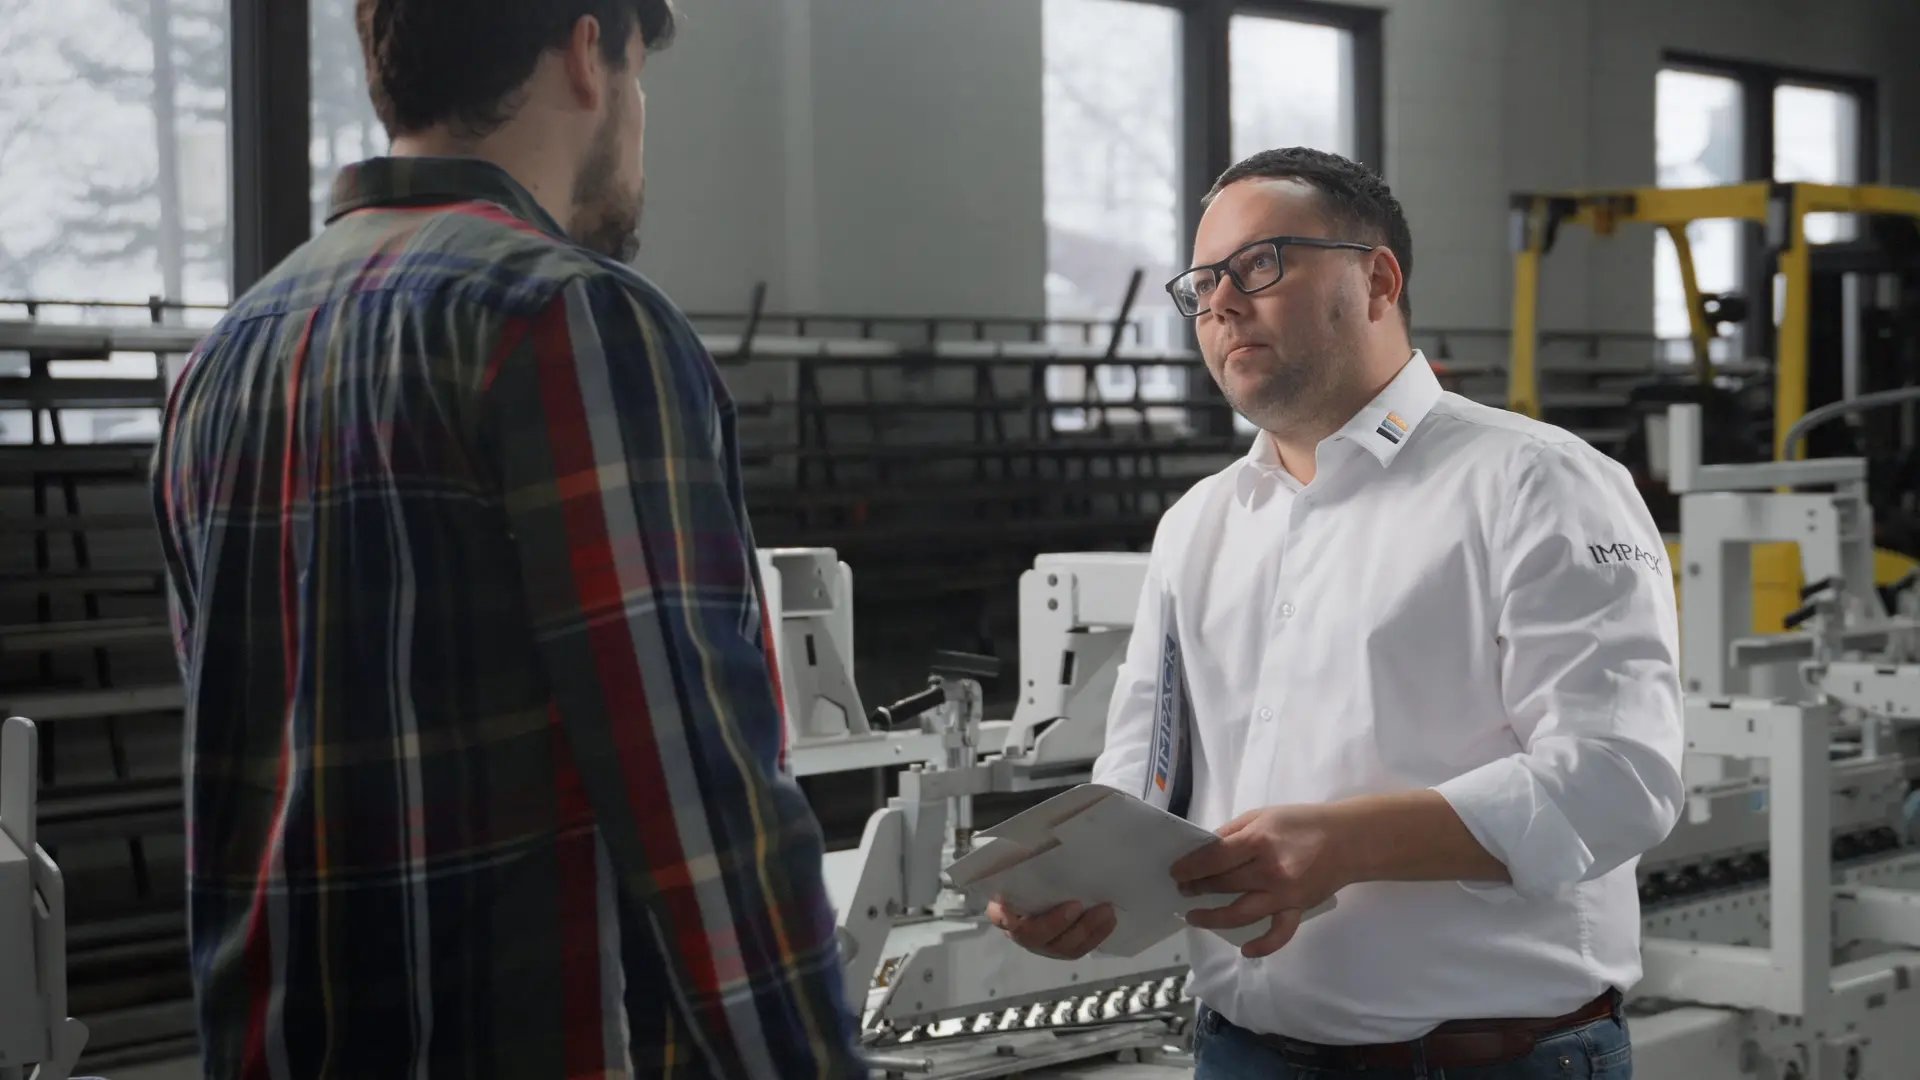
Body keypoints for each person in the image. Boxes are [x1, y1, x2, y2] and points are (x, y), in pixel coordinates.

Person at [150, 2, 865, 1076]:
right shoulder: (568, 319)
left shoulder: (222, 361)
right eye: (637, 74)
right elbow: (698, 803)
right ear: (589, 54)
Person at [989, 147, 1685, 1079]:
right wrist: (1081, 882)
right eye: (1201, 284)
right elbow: (1149, 772)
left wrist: (1343, 845)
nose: (1222, 302)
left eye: (1261, 264)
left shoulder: (1535, 482)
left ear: (1378, 280)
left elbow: (1618, 776)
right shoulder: (1199, 524)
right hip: (1241, 1052)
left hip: (1482, 1061)